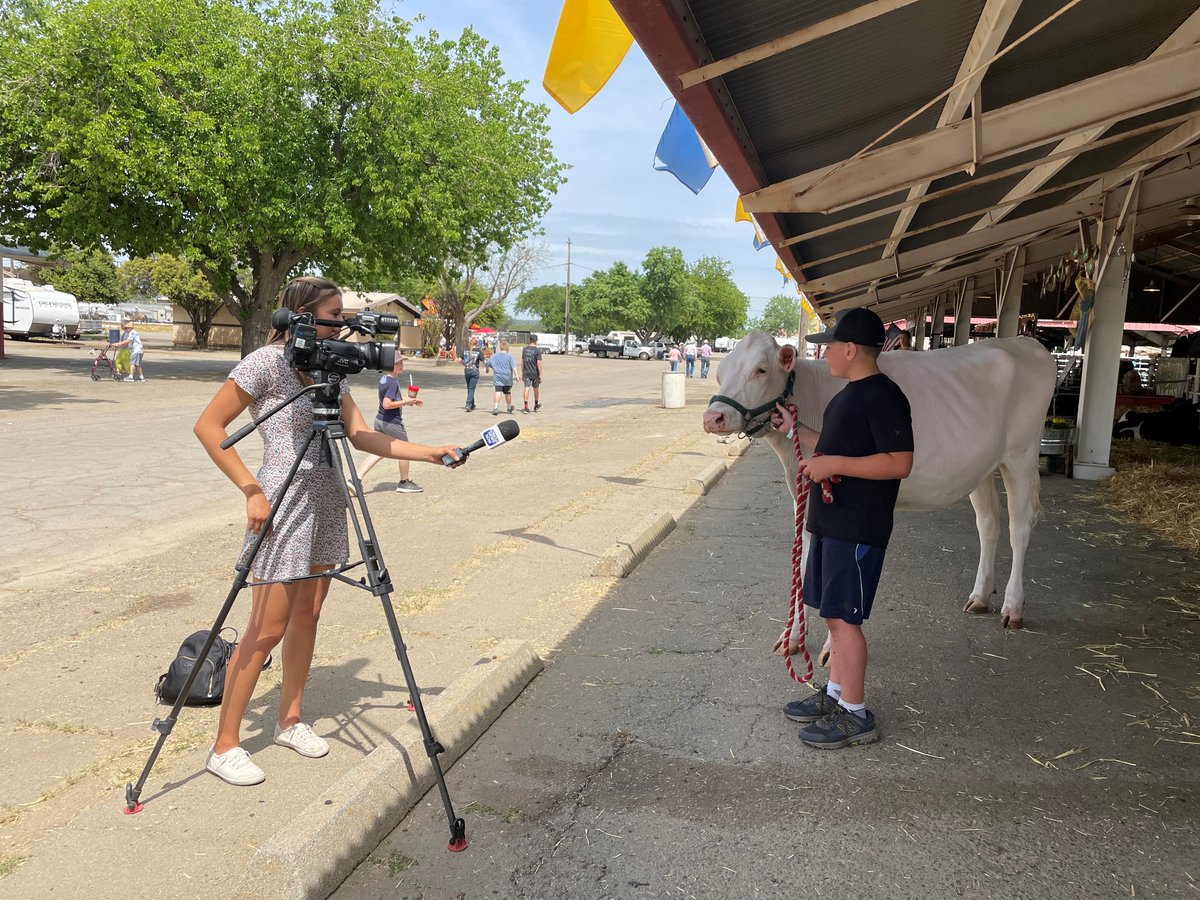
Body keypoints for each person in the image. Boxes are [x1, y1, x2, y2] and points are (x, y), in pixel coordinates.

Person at [192, 276, 463, 786]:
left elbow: (362, 435)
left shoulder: (331, 366)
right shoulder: (265, 363)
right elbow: (209, 426)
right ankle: (224, 745)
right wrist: (250, 489)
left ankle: (289, 721)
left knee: (309, 615)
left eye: (343, 316)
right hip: (283, 497)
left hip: (327, 496)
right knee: (266, 627)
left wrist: (428, 451)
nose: (343, 325)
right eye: (333, 315)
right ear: (299, 314)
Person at [772, 306, 913, 751]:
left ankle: (854, 712)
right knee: (832, 612)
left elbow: (899, 462)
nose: (825, 353)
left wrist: (832, 463)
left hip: (858, 525)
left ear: (850, 349)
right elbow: (834, 447)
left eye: (829, 346)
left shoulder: (884, 396)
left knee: (844, 618)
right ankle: (835, 696)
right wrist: (799, 430)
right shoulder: (849, 394)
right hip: (834, 523)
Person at [354, 354, 425, 493]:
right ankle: (404, 482)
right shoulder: (392, 382)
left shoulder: (385, 379)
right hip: (391, 422)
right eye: (398, 363)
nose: (401, 365)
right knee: (406, 450)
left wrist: (408, 400)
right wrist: (405, 402)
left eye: (401, 362)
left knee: (379, 451)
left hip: (380, 420)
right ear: (389, 365)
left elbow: (392, 398)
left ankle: (356, 479)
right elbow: (387, 404)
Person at [485, 340, 520, 415]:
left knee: (498, 391)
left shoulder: (494, 356)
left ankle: (496, 407)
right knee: (507, 393)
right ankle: (509, 408)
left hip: (498, 377)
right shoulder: (510, 356)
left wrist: (489, 368)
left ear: (500, 347)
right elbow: (514, 367)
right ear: (507, 348)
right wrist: (517, 376)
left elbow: (487, 363)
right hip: (507, 378)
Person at [521, 334, 544, 413]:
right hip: (535, 373)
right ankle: (536, 404)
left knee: (526, 388)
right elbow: (539, 363)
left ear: (530, 340)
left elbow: (522, 362)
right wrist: (540, 374)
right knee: (536, 389)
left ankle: (526, 407)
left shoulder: (525, 349)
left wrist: (522, 372)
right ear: (536, 341)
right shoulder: (537, 350)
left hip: (526, 372)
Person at [460, 337, 483, 411]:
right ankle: (468, 404)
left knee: (469, 387)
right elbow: (484, 360)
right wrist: (487, 368)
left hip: (467, 370)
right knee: (471, 388)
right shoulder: (479, 351)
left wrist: (465, 364)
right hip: (474, 371)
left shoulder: (465, 351)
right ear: (477, 343)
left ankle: (472, 404)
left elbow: (459, 359)